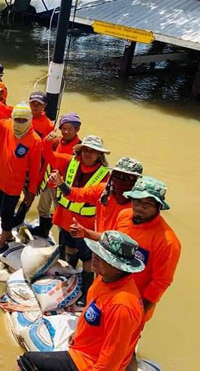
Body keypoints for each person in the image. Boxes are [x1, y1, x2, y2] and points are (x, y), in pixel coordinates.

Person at [15, 230, 145, 371]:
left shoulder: (122, 306)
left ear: (119, 268)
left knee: (27, 361)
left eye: (103, 257)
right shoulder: (104, 279)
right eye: (96, 251)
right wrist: (77, 333)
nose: (95, 257)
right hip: (84, 350)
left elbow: (111, 361)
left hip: (89, 363)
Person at [43, 134, 110, 304]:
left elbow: (86, 196)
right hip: (65, 218)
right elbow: (48, 155)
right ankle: (69, 275)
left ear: (99, 155)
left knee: (88, 259)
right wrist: (48, 141)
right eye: (86, 150)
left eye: (93, 151)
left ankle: (86, 291)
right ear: (80, 151)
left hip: (85, 224)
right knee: (69, 249)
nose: (88, 154)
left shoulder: (105, 176)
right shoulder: (70, 162)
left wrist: (61, 183)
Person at [0, 99, 42, 255]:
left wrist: (30, 193)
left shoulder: (35, 140)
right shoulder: (6, 125)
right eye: (17, 119)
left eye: (23, 120)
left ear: (29, 120)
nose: (19, 123)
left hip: (14, 184)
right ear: (12, 118)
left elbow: (35, 169)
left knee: (6, 211)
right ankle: (8, 234)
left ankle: (2, 242)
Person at [115, 176, 181, 322]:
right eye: (137, 201)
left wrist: (139, 313)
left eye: (148, 203)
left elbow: (160, 283)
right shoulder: (123, 216)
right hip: (108, 291)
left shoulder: (168, 242)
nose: (140, 207)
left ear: (159, 207)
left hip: (133, 303)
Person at [51, 157, 143, 237]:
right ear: (113, 175)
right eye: (118, 175)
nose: (121, 180)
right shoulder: (103, 190)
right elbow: (77, 194)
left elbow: (122, 240)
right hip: (98, 242)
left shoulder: (139, 206)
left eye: (127, 178)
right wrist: (60, 183)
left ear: (136, 181)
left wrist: (87, 233)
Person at [30, 112, 82, 237]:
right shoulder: (56, 142)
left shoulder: (80, 148)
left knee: (62, 215)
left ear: (77, 129)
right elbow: (46, 159)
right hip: (49, 182)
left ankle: (63, 240)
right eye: (63, 128)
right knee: (42, 208)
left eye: (69, 129)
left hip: (64, 188)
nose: (65, 132)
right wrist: (39, 181)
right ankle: (43, 230)